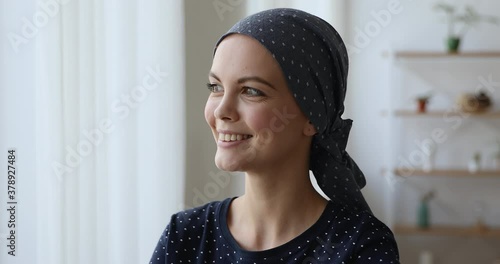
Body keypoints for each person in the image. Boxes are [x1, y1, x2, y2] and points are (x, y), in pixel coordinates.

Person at [150, 8, 399, 263]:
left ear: (312, 116)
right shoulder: (184, 235)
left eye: (251, 91)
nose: (222, 110)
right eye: (216, 87)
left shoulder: (361, 245)